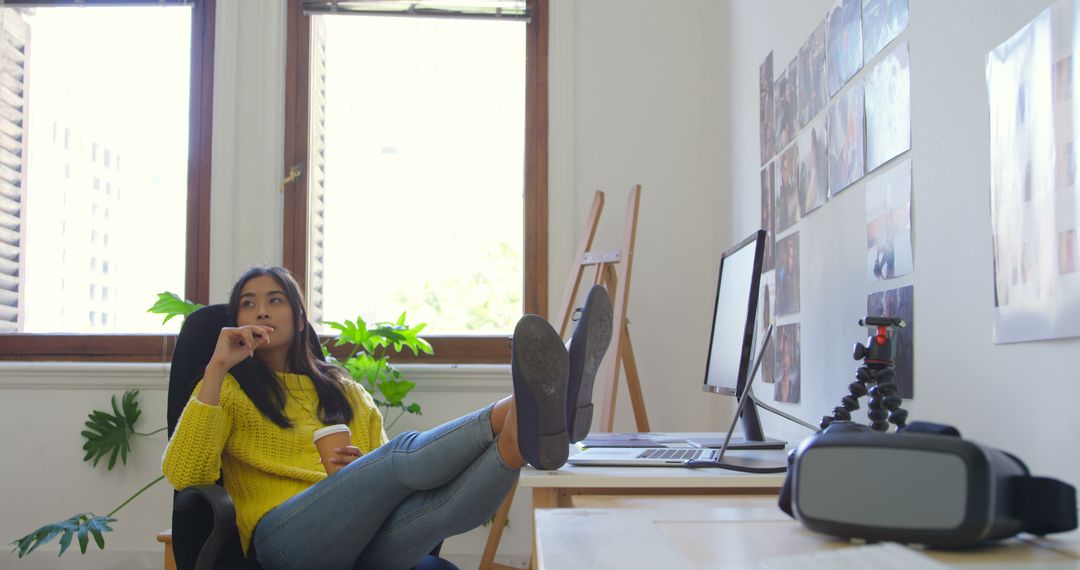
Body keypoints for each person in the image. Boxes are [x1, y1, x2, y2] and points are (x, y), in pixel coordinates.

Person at [162, 266, 613, 570]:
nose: (261, 310)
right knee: (400, 455)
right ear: (237, 319)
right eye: (248, 303)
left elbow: (393, 482)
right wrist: (217, 368)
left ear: (300, 321)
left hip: (361, 542)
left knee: (437, 511)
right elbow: (186, 473)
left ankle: (516, 439)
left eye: (276, 300)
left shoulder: (345, 392)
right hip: (283, 541)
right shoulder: (229, 391)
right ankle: (520, 406)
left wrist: (356, 474)